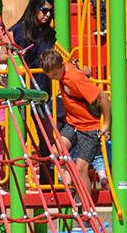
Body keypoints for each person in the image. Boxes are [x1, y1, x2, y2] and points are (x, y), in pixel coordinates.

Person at [40, 48, 110, 189]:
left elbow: (103, 96)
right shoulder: (65, 68)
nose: (53, 78)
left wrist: (107, 125)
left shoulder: (74, 79)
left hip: (89, 127)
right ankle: (69, 174)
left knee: (81, 168)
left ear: (61, 66)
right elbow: (86, 71)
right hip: (73, 123)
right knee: (54, 152)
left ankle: (87, 206)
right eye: (50, 76)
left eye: (55, 74)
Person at [1, 0, 56, 93]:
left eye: (50, 11)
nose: (48, 14)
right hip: (22, 88)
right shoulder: (15, 31)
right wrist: (16, 56)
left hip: (44, 89)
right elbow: (1, 58)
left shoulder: (50, 33)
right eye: (44, 10)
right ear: (34, 9)